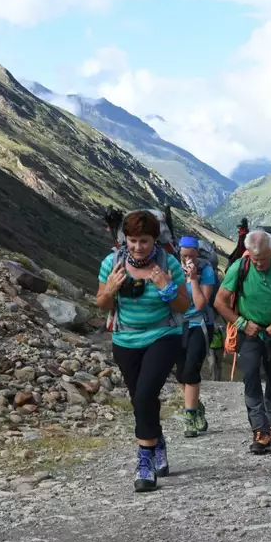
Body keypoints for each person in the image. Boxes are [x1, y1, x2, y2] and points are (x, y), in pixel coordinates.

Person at [96, 210, 190, 492]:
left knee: (147, 393)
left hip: (163, 336)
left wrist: (167, 287)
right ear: (126, 239)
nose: (138, 246)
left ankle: (144, 463)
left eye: (145, 241)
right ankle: (157, 440)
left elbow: (185, 306)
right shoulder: (112, 263)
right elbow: (101, 303)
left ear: (154, 240)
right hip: (125, 339)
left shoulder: (168, 263)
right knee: (141, 400)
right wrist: (110, 289)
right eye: (134, 240)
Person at [213, 229, 271, 454]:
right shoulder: (239, 267)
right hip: (249, 333)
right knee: (251, 376)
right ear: (248, 254)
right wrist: (242, 324)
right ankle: (260, 430)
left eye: (263, 259)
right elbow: (219, 302)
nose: (259, 264)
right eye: (255, 260)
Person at [175, 236, 215, 437]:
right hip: (176, 325)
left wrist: (193, 279)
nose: (188, 259)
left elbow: (201, 304)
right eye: (184, 256)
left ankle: (189, 416)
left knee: (190, 371)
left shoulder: (205, 270)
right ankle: (196, 404)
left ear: (198, 254)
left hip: (199, 324)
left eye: (191, 255)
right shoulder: (172, 268)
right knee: (180, 373)